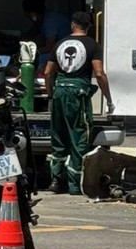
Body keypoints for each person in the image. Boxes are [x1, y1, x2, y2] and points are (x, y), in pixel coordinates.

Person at [43, 11, 113, 195]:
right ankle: (75, 185)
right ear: (88, 27)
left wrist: (51, 95)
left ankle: (56, 182)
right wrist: (109, 99)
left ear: (73, 25)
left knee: (59, 138)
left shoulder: (59, 44)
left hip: (59, 92)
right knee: (79, 139)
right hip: (78, 95)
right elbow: (99, 73)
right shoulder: (92, 45)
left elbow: (48, 73)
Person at [22, 0, 70, 67]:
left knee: (41, 58)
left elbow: (49, 47)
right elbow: (32, 35)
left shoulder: (50, 21)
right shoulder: (43, 20)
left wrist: (30, 53)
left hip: (65, 51)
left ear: (32, 14)